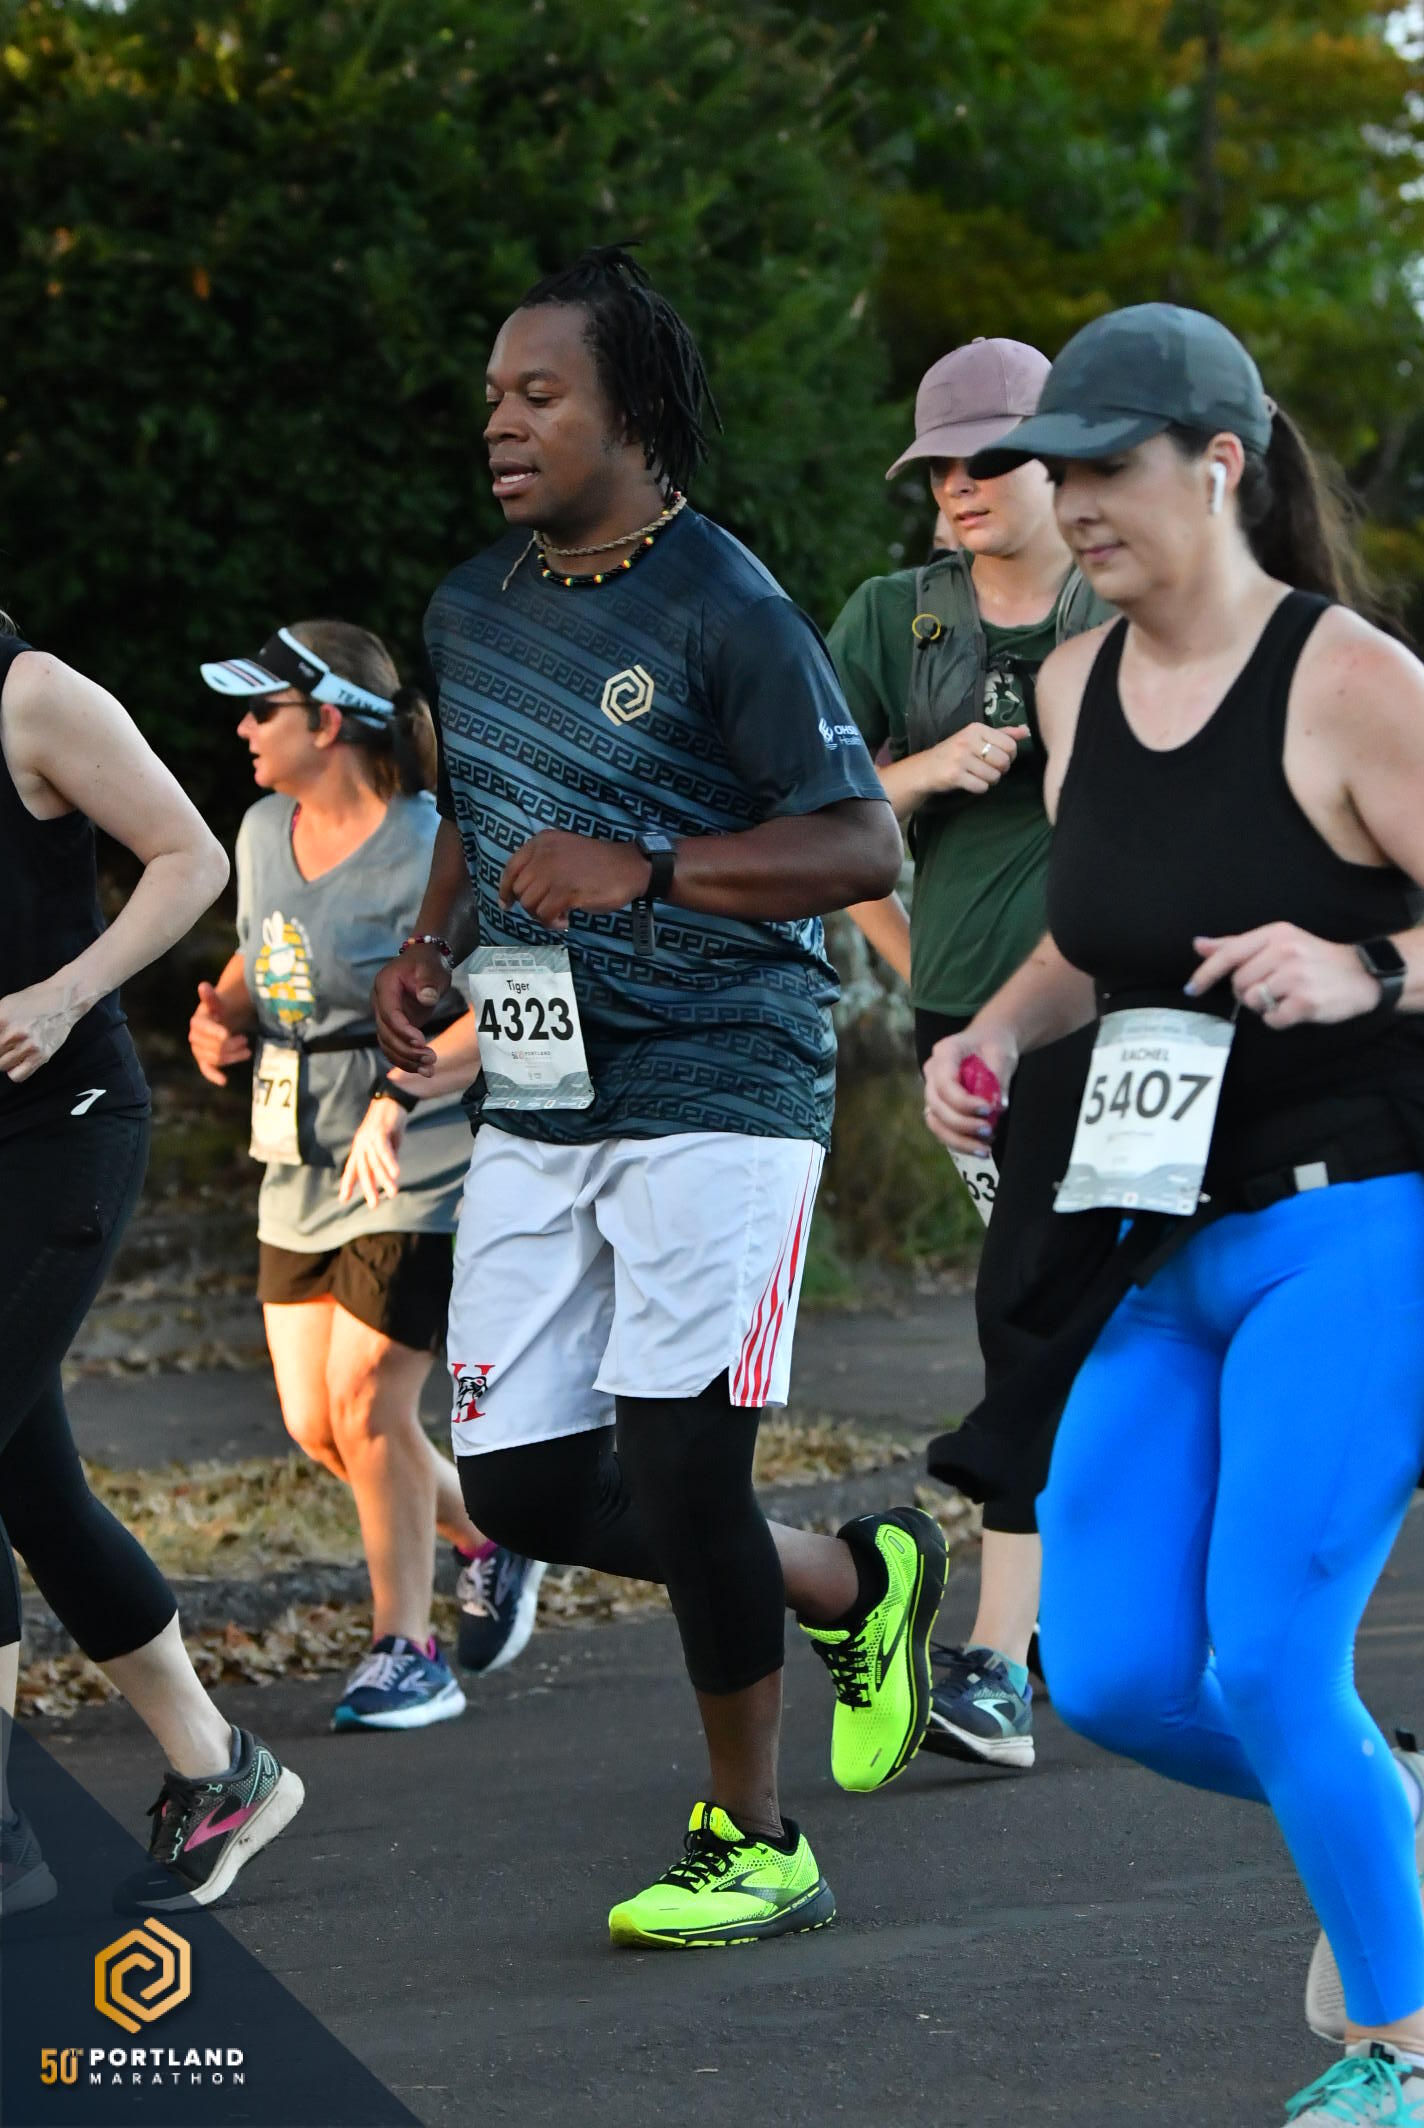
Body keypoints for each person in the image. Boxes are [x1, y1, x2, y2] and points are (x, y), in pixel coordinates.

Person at [372, 245, 946, 1950]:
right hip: (545, 1087)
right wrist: (427, 944)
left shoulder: (724, 603)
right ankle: (850, 1576)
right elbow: (478, 812)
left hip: (720, 1077)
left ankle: (752, 1837)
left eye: (538, 393)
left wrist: (650, 867)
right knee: (524, 1489)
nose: (500, 422)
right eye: (493, 395)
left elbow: (860, 842)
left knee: (687, 1461)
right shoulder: (468, 609)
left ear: (630, 413)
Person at [923, 301, 1424, 2124]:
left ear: (1218, 465)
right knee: (1120, 1673)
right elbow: (1097, 934)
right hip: (1150, 1237)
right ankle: (1390, 1812)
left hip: (1352, 1222)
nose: (1069, 500)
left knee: (1273, 1656)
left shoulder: (1348, 680)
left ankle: (1399, 2047)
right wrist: (994, 1030)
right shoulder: (1071, 686)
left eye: (1103, 465)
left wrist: (1368, 965)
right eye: (1051, 467)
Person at [830, 337, 1112, 1771]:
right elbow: (805, 817)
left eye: (989, 457)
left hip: (1119, 1017)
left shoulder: (1120, 605)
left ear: (1060, 458)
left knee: (1036, 1307)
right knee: (1074, 1308)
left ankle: (998, 1657)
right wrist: (922, 778)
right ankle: (1080, 1608)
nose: (958, 486)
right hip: (963, 1034)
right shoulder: (894, 618)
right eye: (937, 465)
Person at [190, 620, 542, 1732]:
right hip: (299, 1148)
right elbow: (267, 949)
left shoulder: (434, 845)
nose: (244, 730)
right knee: (316, 1422)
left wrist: (404, 1090)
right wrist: (222, 1013)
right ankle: (485, 1535)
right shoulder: (261, 829)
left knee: (371, 1403)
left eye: (263, 710)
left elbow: (508, 1004)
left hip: (419, 1148)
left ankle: (407, 1650)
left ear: (329, 721)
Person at [0, 625, 303, 1915]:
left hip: (57, 1129)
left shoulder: (32, 694)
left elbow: (192, 857)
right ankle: (218, 1767)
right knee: (34, 1486)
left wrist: (66, 992)